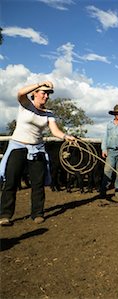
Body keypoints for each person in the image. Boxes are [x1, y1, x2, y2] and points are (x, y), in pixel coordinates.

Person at [0, 81, 76, 226]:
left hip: (37, 149)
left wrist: (66, 137)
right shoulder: (25, 104)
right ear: (35, 93)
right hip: (17, 147)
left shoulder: (49, 113)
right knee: (11, 181)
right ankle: (5, 214)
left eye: (48, 94)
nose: (46, 96)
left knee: (38, 183)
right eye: (43, 92)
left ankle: (37, 213)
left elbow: (55, 131)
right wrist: (39, 83)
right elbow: (20, 93)